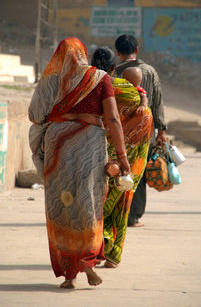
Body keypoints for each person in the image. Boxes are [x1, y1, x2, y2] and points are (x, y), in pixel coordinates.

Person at [28, 38, 130, 289]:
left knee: (61, 205)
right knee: (89, 204)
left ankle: (71, 274)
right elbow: (113, 119)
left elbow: (34, 115)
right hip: (89, 145)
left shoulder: (50, 82)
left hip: (57, 144)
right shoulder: (99, 78)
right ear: (84, 55)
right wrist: (123, 157)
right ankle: (88, 265)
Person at [91, 46, 153, 268]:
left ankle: (95, 249)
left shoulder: (93, 87)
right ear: (114, 67)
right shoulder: (135, 97)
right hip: (127, 162)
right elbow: (142, 133)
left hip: (98, 156)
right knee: (121, 206)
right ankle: (113, 256)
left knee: (96, 204)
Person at [114, 34, 167, 227]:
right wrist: (161, 131)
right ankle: (133, 216)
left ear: (117, 52)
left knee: (117, 170)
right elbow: (158, 101)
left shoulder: (113, 72)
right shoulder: (150, 72)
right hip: (146, 132)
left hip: (118, 132)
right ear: (136, 50)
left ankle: (115, 212)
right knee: (139, 172)